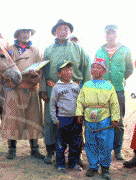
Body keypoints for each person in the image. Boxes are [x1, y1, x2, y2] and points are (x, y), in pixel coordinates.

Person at [40, 19, 91, 164]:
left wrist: (85, 90)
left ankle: (76, 154)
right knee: (51, 121)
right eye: (60, 28)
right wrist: (43, 89)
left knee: (75, 121)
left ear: (69, 32)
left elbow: (86, 69)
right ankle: (51, 151)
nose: (63, 31)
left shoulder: (78, 48)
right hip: (52, 89)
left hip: (74, 91)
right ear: (55, 32)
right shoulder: (48, 50)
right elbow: (43, 71)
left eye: (66, 28)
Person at [0, 28, 44, 160]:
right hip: (14, 89)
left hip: (30, 89)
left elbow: (41, 71)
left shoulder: (36, 51)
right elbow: (3, 66)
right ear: (18, 34)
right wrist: (11, 82)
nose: (26, 35)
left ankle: (34, 149)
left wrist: (35, 76)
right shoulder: (9, 49)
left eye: (28, 32)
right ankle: (12, 149)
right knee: (12, 119)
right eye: (23, 32)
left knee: (33, 119)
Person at [76, 58, 120, 179]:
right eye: (93, 67)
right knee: (90, 143)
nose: (95, 69)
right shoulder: (86, 85)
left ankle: (105, 167)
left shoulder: (109, 86)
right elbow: (80, 100)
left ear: (104, 71)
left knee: (105, 143)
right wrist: (79, 113)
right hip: (89, 119)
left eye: (98, 67)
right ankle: (93, 166)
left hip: (104, 118)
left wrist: (115, 118)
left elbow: (114, 103)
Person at [95, 24, 134, 160]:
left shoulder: (125, 50)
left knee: (118, 121)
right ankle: (102, 147)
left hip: (118, 90)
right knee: (102, 119)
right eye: (108, 33)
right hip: (102, 90)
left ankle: (117, 150)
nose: (111, 35)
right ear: (105, 35)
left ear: (117, 34)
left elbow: (129, 69)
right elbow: (95, 69)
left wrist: (119, 79)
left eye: (113, 33)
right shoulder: (100, 51)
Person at [50, 60, 82, 173]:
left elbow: (80, 102)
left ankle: (73, 163)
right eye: (65, 70)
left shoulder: (76, 86)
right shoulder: (57, 88)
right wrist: (55, 119)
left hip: (75, 119)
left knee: (76, 142)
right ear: (59, 74)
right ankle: (61, 164)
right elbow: (52, 105)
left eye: (70, 70)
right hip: (63, 119)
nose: (68, 72)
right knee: (61, 143)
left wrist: (80, 115)